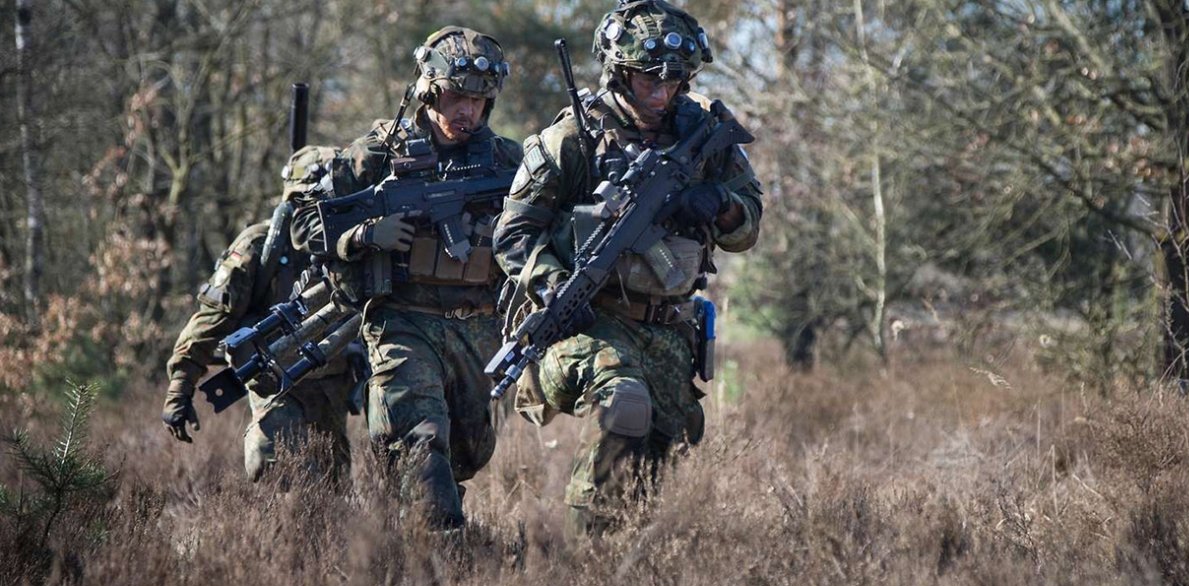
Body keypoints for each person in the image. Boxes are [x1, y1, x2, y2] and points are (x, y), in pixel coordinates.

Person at [493, 0, 764, 537]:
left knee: (666, 444)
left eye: (673, 80)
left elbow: (747, 226)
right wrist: (551, 286)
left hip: (667, 326)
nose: (660, 93)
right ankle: (580, 558)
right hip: (585, 318)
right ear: (618, 72)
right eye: (647, 80)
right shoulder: (573, 138)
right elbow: (514, 234)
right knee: (625, 405)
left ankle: (624, 574)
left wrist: (718, 203)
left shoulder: (704, 134)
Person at [290, 27, 522, 529]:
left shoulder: (508, 160)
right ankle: (442, 561)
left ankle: (410, 530)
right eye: (458, 96)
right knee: (419, 440)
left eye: (479, 100)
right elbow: (304, 223)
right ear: (430, 91)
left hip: (479, 328)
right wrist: (366, 235)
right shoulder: (380, 152)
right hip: (403, 322)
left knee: (467, 453)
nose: (468, 110)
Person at [162, 144, 358, 483]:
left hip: (333, 386)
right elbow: (211, 320)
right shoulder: (258, 247)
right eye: (309, 202)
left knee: (332, 488)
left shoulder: (354, 245)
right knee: (276, 470)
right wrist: (180, 387)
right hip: (274, 382)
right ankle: (267, 534)